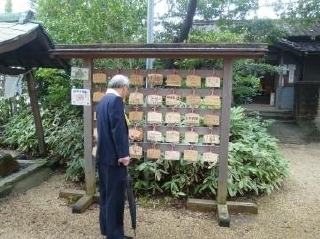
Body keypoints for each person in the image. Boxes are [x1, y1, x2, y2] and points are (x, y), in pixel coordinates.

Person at [96, 74, 133, 239]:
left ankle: (106, 229)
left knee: (105, 194)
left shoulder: (103, 101)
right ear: (123, 87)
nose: (127, 92)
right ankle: (115, 235)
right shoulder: (116, 101)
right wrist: (124, 155)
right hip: (114, 159)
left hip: (103, 156)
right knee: (115, 197)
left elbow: (107, 128)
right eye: (128, 89)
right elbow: (117, 130)